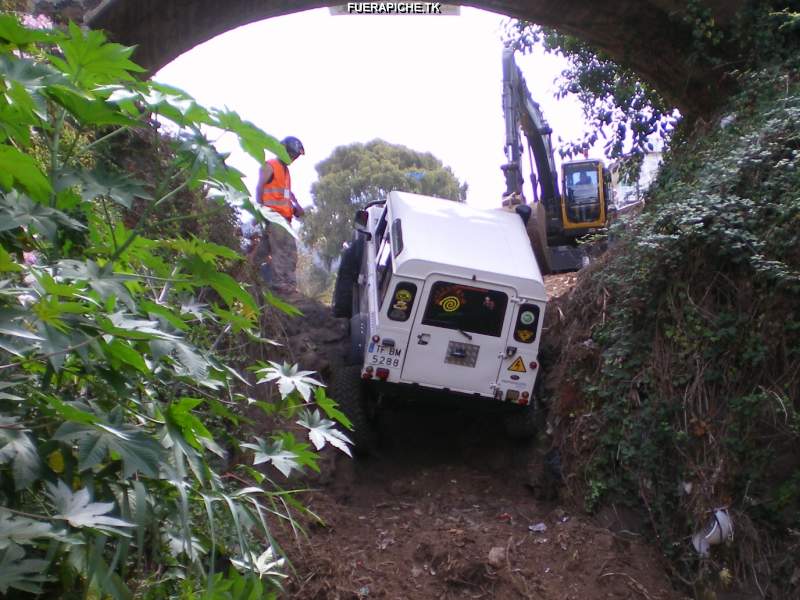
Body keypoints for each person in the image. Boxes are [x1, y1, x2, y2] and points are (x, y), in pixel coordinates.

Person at [252, 136, 306, 290]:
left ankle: (247, 272)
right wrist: (261, 212)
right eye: (292, 155)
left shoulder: (285, 172)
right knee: (286, 251)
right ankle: (283, 285)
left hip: (282, 219)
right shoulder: (271, 166)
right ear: (283, 150)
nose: (293, 159)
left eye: (295, 157)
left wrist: (294, 209)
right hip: (275, 218)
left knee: (263, 251)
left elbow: (282, 199)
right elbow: (259, 188)